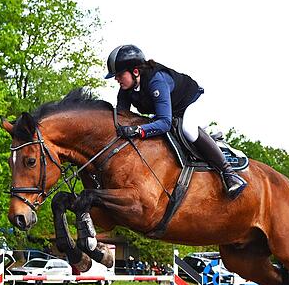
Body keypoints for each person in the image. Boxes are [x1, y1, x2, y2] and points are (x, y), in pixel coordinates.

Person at [105, 44, 247, 199]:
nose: (117, 79)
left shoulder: (156, 81)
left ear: (135, 71)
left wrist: (138, 130)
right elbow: (121, 118)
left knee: (187, 129)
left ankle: (229, 174)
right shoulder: (126, 88)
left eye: (119, 75)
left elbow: (164, 123)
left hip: (193, 102)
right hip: (171, 111)